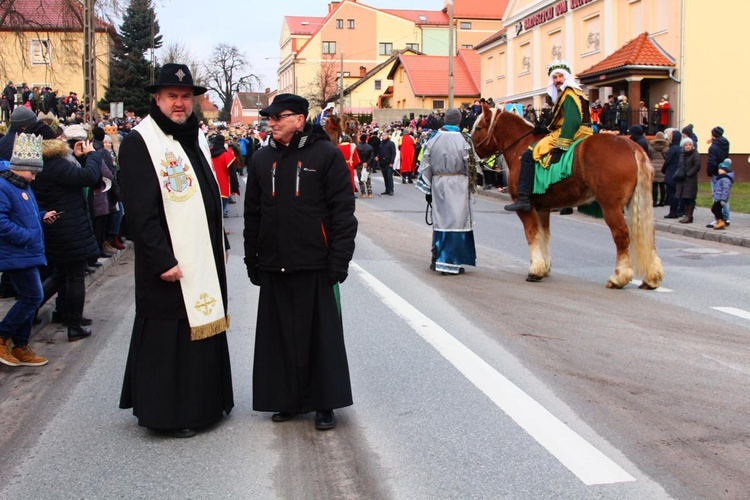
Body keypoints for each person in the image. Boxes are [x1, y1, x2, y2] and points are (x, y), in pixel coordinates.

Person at [118, 63, 234, 438]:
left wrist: (222, 239)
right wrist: (161, 259)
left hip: (203, 253)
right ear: (157, 98)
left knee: (200, 328)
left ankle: (206, 404)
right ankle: (170, 414)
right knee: (171, 336)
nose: (180, 103)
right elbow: (140, 210)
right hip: (168, 263)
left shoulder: (194, 136)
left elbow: (207, 195)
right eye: (172, 96)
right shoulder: (140, 142)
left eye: (186, 97)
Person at [244, 93, 357, 431]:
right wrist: (253, 258)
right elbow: (253, 214)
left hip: (316, 263)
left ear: (299, 119)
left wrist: (339, 259)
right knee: (279, 337)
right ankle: (286, 399)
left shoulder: (326, 156)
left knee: (320, 337)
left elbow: (343, 212)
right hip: (274, 263)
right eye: (270, 116)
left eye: (279, 116)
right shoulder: (262, 159)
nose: (272, 121)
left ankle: (324, 403)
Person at [31, 121, 101, 339]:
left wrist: (80, 158)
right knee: (75, 276)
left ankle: (30, 308)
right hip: (69, 227)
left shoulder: (39, 164)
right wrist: (93, 155)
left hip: (57, 227)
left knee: (60, 274)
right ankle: (74, 326)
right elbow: (88, 178)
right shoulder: (55, 164)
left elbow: (72, 180)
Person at [0, 134, 60, 367]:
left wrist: (42, 216)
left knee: (30, 297)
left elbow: (24, 214)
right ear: (20, 167)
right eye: (32, 172)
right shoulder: (5, 187)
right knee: (33, 296)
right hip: (16, 252)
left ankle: (20, 345)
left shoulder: (21, 184)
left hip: (27, 252)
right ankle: (4, 335)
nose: (34, 178)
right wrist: (26, 236)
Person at [505, 60, 593, 212]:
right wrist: (545, 128)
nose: (557, 80)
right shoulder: (573, 93)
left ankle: (524, 198)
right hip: (583, 131)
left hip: (572, 132)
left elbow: (571, 121)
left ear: (567, 77)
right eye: (555, 77)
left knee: (528, 154)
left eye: (560, 76)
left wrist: (562, 144)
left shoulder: (569, 94)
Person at [416, 108, 478, 275]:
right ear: (458, 121)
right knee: (455, 223)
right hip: (457, 183)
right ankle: (449, 262)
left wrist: (428, 189)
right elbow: (471, 166)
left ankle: (436, 257)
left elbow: (425, 164)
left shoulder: (433, 138)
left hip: (438, 183)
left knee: (440, 221)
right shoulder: (465, 140)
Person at [706, 126, 730, 228]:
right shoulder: (725, 143)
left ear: (713, 135)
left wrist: (709, 172)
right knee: (725, 196)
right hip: (724, 171)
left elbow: (711, 161)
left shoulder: (713, 147)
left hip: (716, 173)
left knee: (716, 196)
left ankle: (718, 219)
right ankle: (726, 218)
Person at [675, 137, 700, 224]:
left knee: (690, 198)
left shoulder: (695, 154)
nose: (688, 146)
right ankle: (687, 215)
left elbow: (697, 165)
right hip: (682, 179)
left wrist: (689, 173)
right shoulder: (682, 154)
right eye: (686, 145)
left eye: (689, 145)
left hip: (690, 179)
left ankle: (689, 216)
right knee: (684, 198)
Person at [661, 129, 683, 219]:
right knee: (677, 193)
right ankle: (678, 211)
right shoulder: (680, 149)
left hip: (671, 173)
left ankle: (673, 212)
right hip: (678, 173)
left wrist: (663, 170)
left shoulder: (672, 149)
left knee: (672, 194)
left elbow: (667, 161)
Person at [710, 159, 734, 230]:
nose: (719, 170)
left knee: (715, 209)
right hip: (718, 197)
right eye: (719, 169)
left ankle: (721, 222)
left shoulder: (725, 179)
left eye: (721, 169)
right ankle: (720, 221)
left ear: (726, 170)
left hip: (721, 198)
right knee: (715, 209)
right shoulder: (721, 177)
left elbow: (725, 190)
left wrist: (723, 199)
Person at [649, 131, 669, 207]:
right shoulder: (666, 147)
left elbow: (649, 155)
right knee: (662, 185)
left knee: (654, 185)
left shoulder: (651, 146)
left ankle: (654, 201)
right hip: (663, 166)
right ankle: (662, 201)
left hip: (654, 166)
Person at [378, 130, 396, 196]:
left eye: (384, 136)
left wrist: (392, 162)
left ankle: (391, 190)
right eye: (382, 136)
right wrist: (378, 156)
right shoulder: (381, 143)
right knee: (385, 177)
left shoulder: (391, 143)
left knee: (389, 177)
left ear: (387, 136)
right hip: (382, 162)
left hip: (389, 163)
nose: (383, 137)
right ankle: (387, 190)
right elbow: (379, 152)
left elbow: (393, 153)